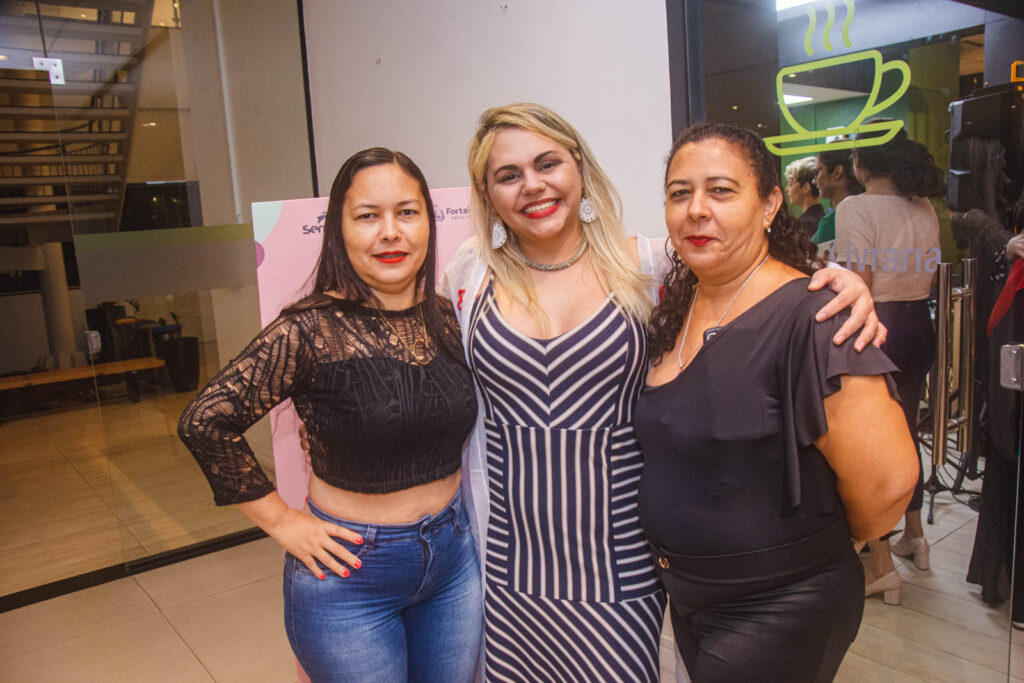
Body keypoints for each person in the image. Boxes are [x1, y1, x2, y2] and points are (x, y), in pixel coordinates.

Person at [442, 103, 883, 681]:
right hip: (509, 562)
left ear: (578, 168)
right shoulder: (469, 276)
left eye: (547, 162)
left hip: (623, 564)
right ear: (488, 194)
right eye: (508, 175)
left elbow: (750, 280)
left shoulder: (650, 267)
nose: (533, 185)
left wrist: (839, 281)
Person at [178, 148, 482, 682]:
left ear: (429, 225)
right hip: (349, 577)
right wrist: (283, 523)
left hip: (453, 561)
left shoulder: (446, 317)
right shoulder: (309, 331)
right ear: (339, 231)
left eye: (407, 212)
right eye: (368, 216)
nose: (391, 232)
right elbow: (206, 420)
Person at [636, 122, 918, 682]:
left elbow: (889, 484)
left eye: (721, 190)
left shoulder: (816, 316)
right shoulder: (680, 304)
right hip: (695, 601)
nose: (696, 209)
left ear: (769, 205)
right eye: (679, 193)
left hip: (781, 607)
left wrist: (812, 553)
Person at [833, 123, 946, 602]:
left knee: (868, 445)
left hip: (877, 329)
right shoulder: (923, 207)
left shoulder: (855, 207)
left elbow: (859, 279)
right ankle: (914, 537)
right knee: (909, 431)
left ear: (862, 165)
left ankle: (880, 565)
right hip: (921, 324)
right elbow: (931, 271)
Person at [811, 147, 864, 256]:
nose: (814, 181)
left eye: (818, 172)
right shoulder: (870, 213)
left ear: (837, 172)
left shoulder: (832, 222)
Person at [785, 156, 824, 237]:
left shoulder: (805, 225)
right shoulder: (823, 219)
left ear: (806, 188)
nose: (787, 189)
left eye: (791, 184)